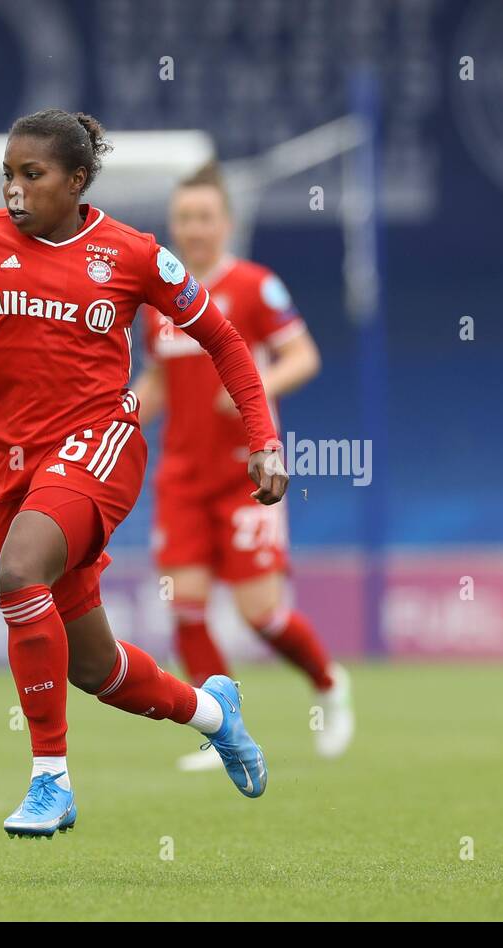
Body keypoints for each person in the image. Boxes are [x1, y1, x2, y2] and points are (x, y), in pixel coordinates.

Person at [0, 110, 287, 836]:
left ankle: (50, 781)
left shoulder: (132, 254)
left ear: (76, 181)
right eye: (7, 174)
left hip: (99, 446)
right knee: (94, 667)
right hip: (7, 465)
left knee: (16, 572)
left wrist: (262, 439)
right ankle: (216, 713)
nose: (13, 189)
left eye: (30, 176)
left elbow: (222, 338)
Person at [132, 162, 354, 770]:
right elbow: (158, 375)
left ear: (225, 222)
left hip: (245, 475)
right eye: (184, 218)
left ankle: (330, 684)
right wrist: (125, 413)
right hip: (181, 475)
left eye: (205, 217)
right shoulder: (160, 298)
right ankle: (222, 728)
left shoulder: (255, 286)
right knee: (185, 605)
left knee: (261, 614)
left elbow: (303, 356)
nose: (194, 228)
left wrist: (256, 384)